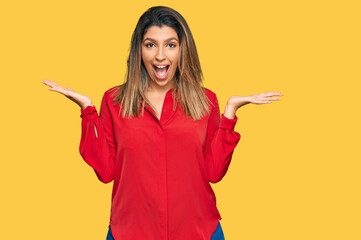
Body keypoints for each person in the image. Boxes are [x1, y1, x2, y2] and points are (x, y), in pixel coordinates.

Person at [42, 6, 282, 240]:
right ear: (139, 50)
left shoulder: (205, 100)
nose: (160, 55)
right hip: (131, 232)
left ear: (182, 50)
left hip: (198, 232)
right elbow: (106, 172)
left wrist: (230, 114)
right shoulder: (114, 101)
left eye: (170, 44)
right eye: (150, 45)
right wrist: (87, 111)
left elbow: (214, 172)